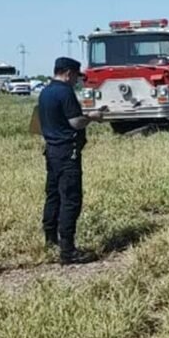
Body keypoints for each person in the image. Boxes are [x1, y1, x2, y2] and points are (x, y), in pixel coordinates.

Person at [38, 57, 103, 264]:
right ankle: (68, 250)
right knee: (71, 199)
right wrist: (92, 117)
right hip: (68, 152)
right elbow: (75, 122)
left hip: (52, 150)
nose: (77, 80)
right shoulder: (65, 92)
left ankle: (51, 239)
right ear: (67, 73)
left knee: (53, 195)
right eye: (76, 76)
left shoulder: (45, 92)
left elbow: (39, 123)